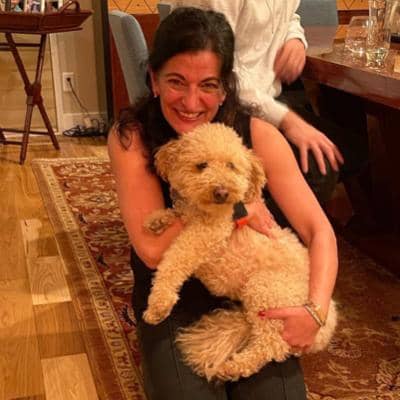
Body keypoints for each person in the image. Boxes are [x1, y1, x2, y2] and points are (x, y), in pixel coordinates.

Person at [108, 7, 338, 400]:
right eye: (176, 82)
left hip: (250, 290)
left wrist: (315, 311)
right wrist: (236, 209)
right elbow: (151, 250)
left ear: (225, 88)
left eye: (208, 85)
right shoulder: (133, 136)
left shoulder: (258, 134)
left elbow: (319, 232)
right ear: (154, 80)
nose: (191, 101)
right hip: (175, 293)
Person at [166, 0, 371, 227]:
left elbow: (290, 16)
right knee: (319, 170)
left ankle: (284, 219)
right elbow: (218, 72)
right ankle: (236, 225)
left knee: (352, 151)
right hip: (219, 106)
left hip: (267, 96)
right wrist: (287, 121)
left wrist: (295, 39)